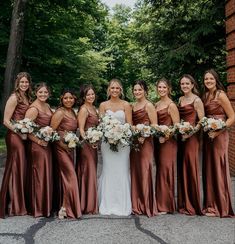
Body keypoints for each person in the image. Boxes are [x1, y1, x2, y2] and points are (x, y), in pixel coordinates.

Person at [202, 69, 235, 217]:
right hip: (209, 135)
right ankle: (211, 205)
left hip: (219, 136)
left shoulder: (220, 95)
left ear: (216, 79)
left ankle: (222, 206)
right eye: (206, 79)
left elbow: (232, 117)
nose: (208, 81)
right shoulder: (206, 95)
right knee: (209, 168)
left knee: (219, 167)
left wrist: (218, 130)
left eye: (211, 79)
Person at [0, 72, 32, 218]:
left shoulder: (27, 97)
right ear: (17, 83)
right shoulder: (14, 98)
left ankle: (20, 202)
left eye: (26, 82)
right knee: (16, 168)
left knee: (22, 167)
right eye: (22, 82)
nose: (24, 84)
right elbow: (6, 121)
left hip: (24, 136)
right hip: (14, 136)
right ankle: (14, 205)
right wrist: (20, 132)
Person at [98, 78, 132, 216]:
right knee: (108, 170)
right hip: (107, 143)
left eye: (117, 88)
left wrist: (122, 133)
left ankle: (122, 205)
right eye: (112, 88)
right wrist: (109, 134)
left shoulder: (126, 104)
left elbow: (129, 124)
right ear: (108, 89)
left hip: (123, 143)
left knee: (122, 170)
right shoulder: (103, 105)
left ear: (121, 90)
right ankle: (107, 204)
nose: (115, 90)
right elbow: (101, 125)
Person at [50, 89, 81, 219]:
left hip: (71, 147)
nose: (68, 100)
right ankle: (67, 207)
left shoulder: (73, 112)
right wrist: (62, 144)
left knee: (67, 178)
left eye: (71, 98)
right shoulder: (59, 113)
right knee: (71, 177)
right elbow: (52, 132)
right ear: (61, 99)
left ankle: (63, 207)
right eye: (66, 98)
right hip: (60, 148)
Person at [25, 83, 53, 217]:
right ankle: (38, 207)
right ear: (36, 93)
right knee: (39, 176)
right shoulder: (33, 109)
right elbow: (26, 130)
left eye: (45, 92)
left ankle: (45, 205)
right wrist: (39, 141)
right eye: (40, 92)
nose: (43, 94)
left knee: (45, 174)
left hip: (46, 145)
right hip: (37, 146)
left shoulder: (47, 106)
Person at [177, 74, 204, 215]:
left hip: (192, 138)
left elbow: (201, 120)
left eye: (187, 83)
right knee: (182, 167)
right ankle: (183, 203)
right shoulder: (180, 99)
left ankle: (193, 204)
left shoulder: (197, 100)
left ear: (192, 85)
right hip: (181, 137)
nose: (185, 86)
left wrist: (191, 132)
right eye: (182, 84)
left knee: (191, 167)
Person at [130, 80, 157, 217]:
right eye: (135, 90)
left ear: (145, 91)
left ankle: (146, 205)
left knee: (145, 170)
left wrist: (144, 134)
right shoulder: (132, 106)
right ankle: (136, 204)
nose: (137, 92)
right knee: (135, 171)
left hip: (146, 142)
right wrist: (136, 133)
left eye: (140, 90)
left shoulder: (149, 105)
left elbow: (154, 125)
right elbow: (131, 124)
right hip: (135, 142)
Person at [154, 78, 180, 214]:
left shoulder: (171, 105)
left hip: (168, 143)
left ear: (169, 89)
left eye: (164, 87)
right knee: (160, 170)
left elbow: (176, 126)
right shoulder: (156, 104)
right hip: (158, 142)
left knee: (166, 171)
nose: (161, 90)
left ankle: (166, 205)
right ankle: (159, 203)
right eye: (159, 87)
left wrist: (166, 136)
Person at [77, 85, 99, 214]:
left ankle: (90, 202)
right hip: (86, 145)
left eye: (92, 94)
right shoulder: (84, 109)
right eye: (88, 95)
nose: (91, 96)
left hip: (93, 144)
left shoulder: (94, 109)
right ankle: (86, 205)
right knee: (87, 171)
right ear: (84, 97)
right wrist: (89, 140)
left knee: (92, 171)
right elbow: (81, 129)